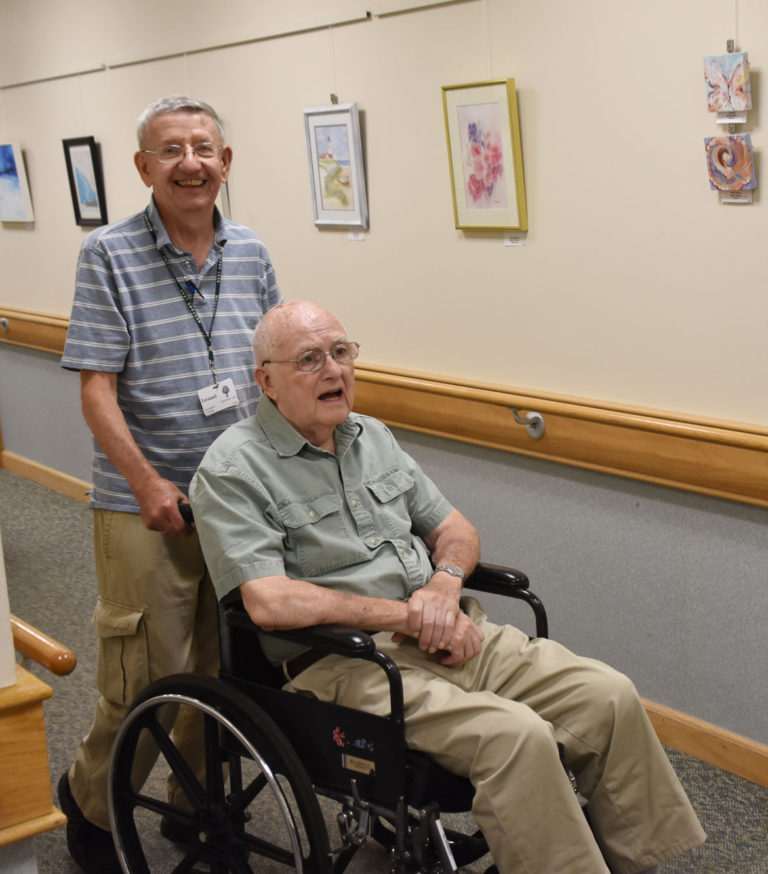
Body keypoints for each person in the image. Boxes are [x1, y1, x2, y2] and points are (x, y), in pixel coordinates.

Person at [188, 300, 706, 874]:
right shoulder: (233, 469)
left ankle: (634, 863)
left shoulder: (372, 437)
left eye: (341, 352)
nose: (334, 371)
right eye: (309, 359)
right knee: (517, 736)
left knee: (607, 695)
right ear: (266, 381)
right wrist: (408, 616)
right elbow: (268, 600)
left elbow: (454, 528)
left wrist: (444, 584)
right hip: (344, 663)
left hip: (448, 629)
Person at [58, 95, 282, 874]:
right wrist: (148, 482)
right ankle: (91, 802)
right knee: (146, 676)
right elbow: (96, 388)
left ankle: (193, 806)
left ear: (225, 162)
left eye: (204, 148)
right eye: (172, 149)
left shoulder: (251, 251)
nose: (191, 162)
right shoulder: (109, 254)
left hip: (239, 504)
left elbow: (273, 369)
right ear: (143, 167)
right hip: (143, 504)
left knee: (229, 672)